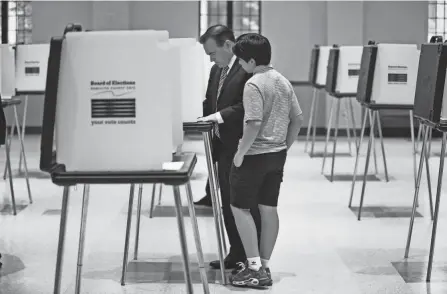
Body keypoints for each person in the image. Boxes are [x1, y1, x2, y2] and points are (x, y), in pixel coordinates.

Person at [228, 33, 304, 287]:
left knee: (240, 208)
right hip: (276, 155)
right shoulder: (283, 81)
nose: (238, 64)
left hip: (254, 156)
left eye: (240, 60)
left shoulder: (254, 84)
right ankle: (265, 266)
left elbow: (253, 123)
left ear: (251, 60)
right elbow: (298, 119)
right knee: (268, 208)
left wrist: (240, 153)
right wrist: (285, 146)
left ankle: (253, 268)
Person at [197, 25, 262, 270]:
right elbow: (209, 101)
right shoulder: (217, 70)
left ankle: (251, 258)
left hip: (241, 146)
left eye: (212, 53)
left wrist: (218, 116)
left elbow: (247, 106)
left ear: (227, 45)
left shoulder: (246, 69)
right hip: (222, 145)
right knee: (226, 201)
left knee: (243, 204)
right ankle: (235, 254)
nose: (211, 59)